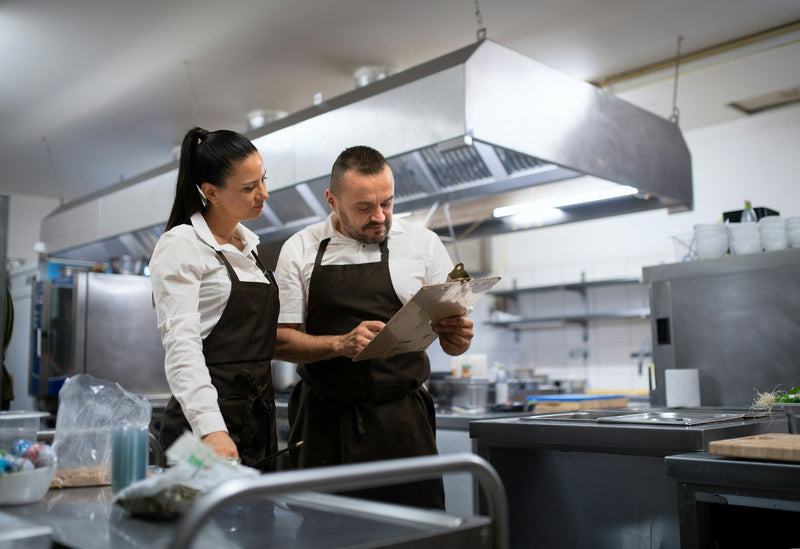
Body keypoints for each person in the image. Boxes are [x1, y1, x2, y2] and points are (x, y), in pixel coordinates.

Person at [274, 145, 474, 508]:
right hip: (325, 421)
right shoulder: (299, 249)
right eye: (364, 208)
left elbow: (453, 343)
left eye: (388, 203)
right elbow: (279, 342)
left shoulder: (423, 244)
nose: (380, 216)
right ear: (332, 201)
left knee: (418, 534)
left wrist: (458, 338)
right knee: (328, 533)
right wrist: (339, 344)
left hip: (403, 422)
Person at [149, 127, 279, 471]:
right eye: (249, 187)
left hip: (257, 421)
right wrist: (210, 430)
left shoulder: (249, 248)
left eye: (263, 180)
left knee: (259, 523)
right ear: (211, 192)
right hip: (205, 428)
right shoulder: (182, 245)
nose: (263, 193)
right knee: (204, 524)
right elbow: (182, 346)